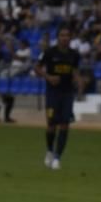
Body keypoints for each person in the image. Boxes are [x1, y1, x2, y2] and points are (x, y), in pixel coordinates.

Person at [35, 28, 83, 170]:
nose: (65, 38)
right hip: (53, 93)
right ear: (58, 37)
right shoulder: (49, 52)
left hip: (67, 93)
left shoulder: (74, 55)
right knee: (51, 126)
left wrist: (79, 82)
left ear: (71, 37)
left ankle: (57, 158)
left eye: (67, 35)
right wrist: (49, 77)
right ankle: (49, 150)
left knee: (64, 125)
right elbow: (37, 68)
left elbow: (74, 71)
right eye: (62, 35)